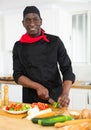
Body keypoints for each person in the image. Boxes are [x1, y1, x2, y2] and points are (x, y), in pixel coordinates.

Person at [13, 6, 75, 107]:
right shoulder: (18, 46)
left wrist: (65, 94)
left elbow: (67, 69)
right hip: (31, 101)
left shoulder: (55, 42)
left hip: (56, 98)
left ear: (41, 21)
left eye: (35, 19)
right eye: (28, 20)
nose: (32, 23)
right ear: (23, 23)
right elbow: (17, 75)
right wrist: (37, 86)